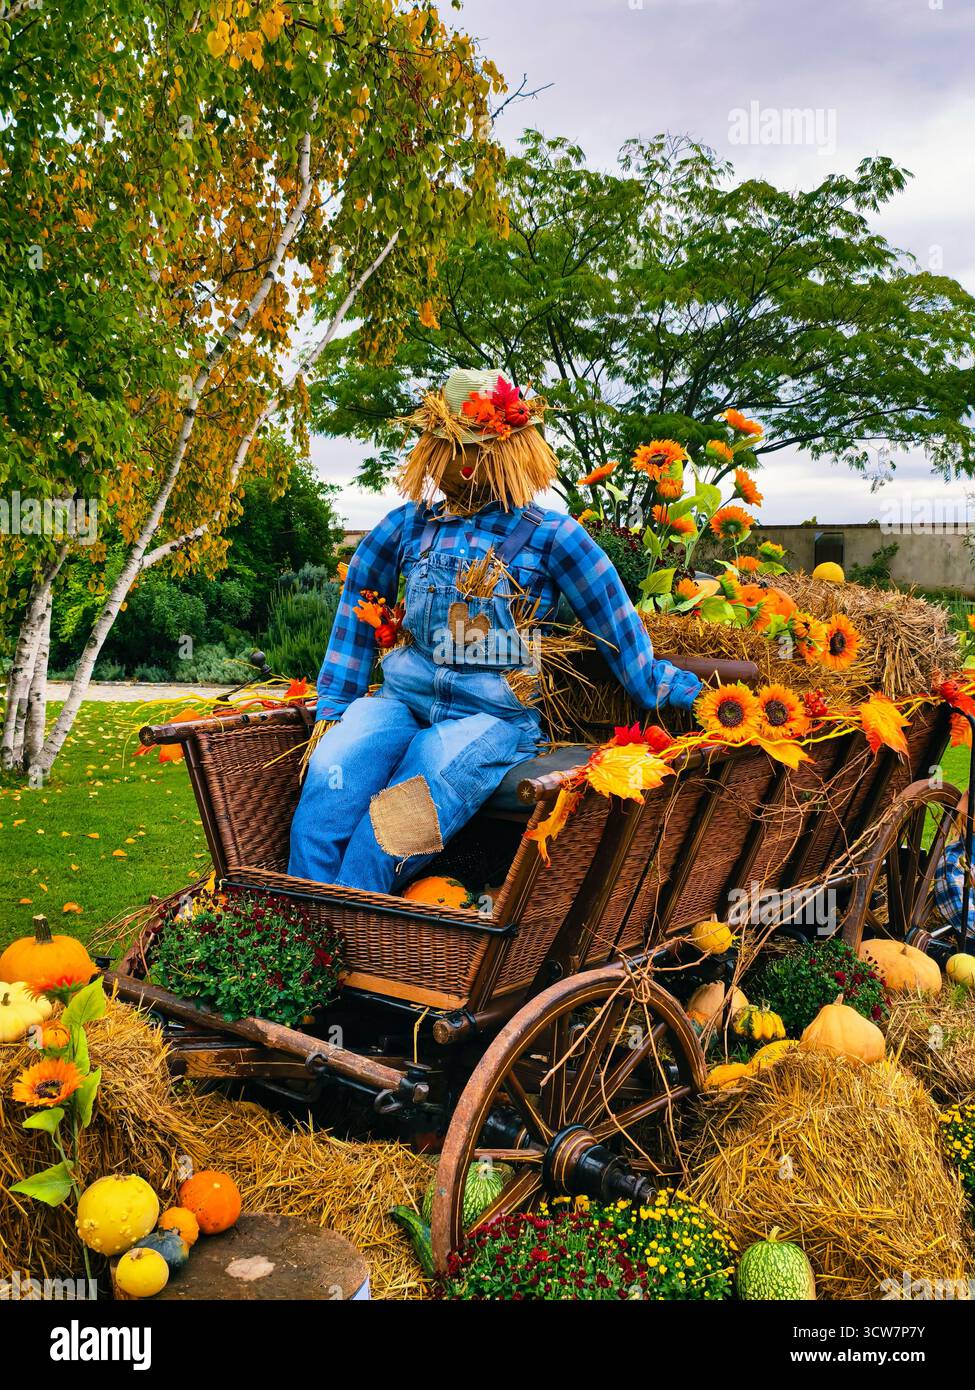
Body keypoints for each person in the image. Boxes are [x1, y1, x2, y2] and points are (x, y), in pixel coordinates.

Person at [288, 368, 702, 893]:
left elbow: (616, 626)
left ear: (514, 449)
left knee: (403, 813)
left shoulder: (553, 536)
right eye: (454, 447)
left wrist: (682, 695)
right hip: (399, 700)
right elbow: (356, 606)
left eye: (481, 448)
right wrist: (337, 711)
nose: (466, 463)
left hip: (492, 716)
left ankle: (352, 932)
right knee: (331, 780)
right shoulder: (406, 526)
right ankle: (298, 933)